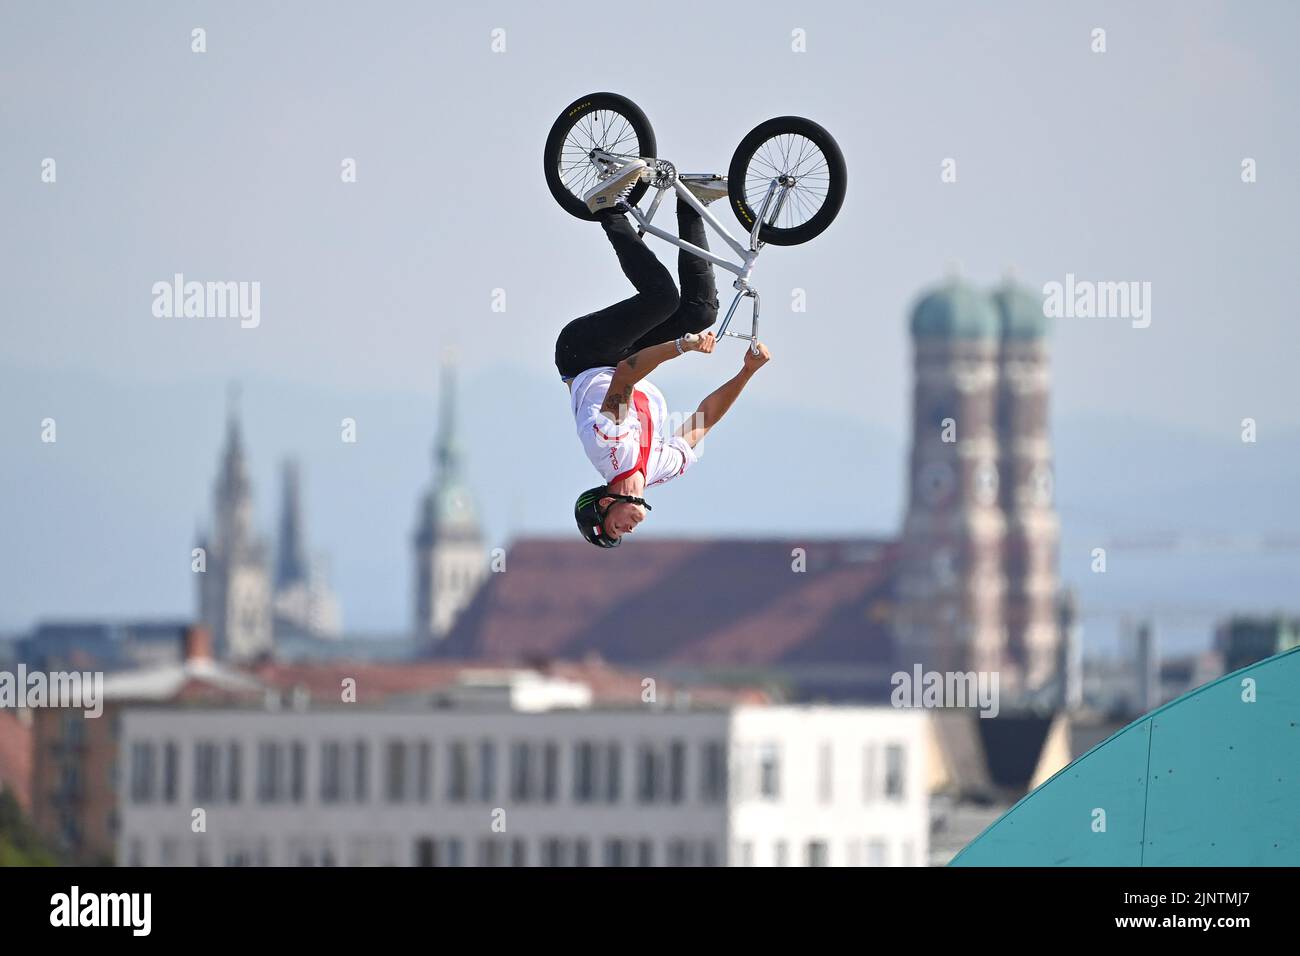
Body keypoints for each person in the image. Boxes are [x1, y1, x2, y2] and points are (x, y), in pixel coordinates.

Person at [555, 159, 771, 548]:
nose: (629, 530)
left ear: (606, 502)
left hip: (583, 353)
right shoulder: (661, 468)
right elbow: (703, 420)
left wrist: (681, 346)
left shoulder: (608, 449)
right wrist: (746, 373)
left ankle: (607, 208)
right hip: (624, 353)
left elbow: (625, 374)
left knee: (661, 299)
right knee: (700, 311)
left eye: (617, 528)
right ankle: (692, 204)